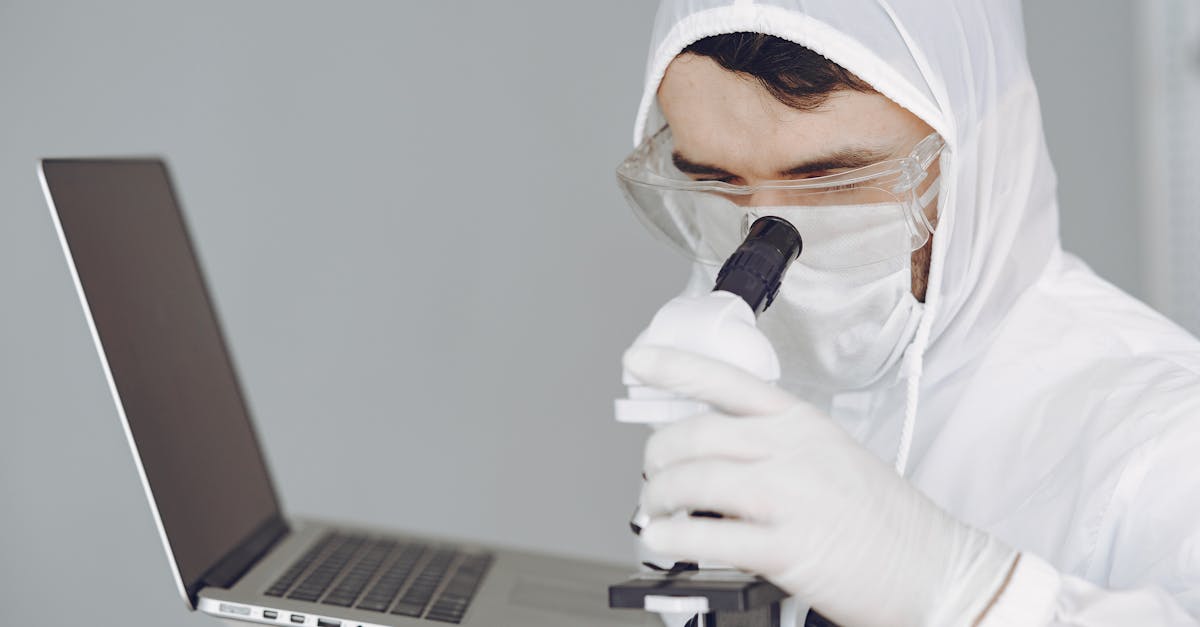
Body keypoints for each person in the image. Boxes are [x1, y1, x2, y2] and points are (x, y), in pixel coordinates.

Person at [617, 1, 1200, 625]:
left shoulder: (1167, 439)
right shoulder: (742, 382)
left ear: (981, 157)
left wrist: (965, 593)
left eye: (838, 183)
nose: (763, 238)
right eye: (715, 180)